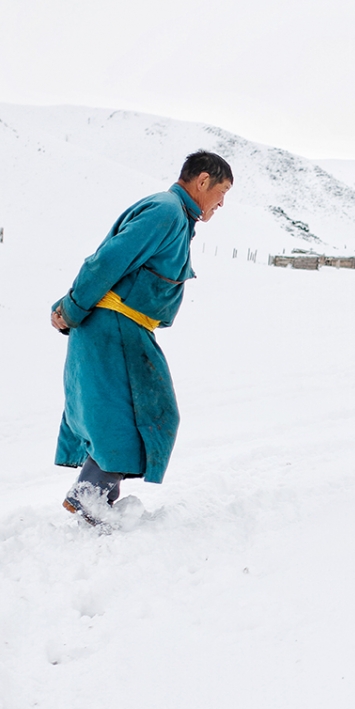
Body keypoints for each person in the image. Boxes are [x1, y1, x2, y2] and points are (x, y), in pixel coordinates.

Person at [50, 150, 233, 523]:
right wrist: (71, 308)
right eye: (222, 191)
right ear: (202, 181)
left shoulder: (177, 218)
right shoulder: (166, 211)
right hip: (113, 324)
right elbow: (107, 261)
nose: (222, 203)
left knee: (126, 412)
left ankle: (100, 502)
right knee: (140, 412)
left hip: (126, 328)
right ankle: (91, 495)